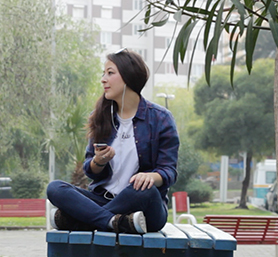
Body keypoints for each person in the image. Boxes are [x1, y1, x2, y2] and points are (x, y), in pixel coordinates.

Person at [47, 48, 179, 234]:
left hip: (144, 207)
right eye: (103, 74)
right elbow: (91, 172)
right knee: (55, 188)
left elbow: (169, 171)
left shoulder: (160, 118)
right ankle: (114, 222)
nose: (103, 79)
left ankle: (85, 220)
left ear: (128, 76)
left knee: (144, 189)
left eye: (110, 73)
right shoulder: (101, 117)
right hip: (104, 200)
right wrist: (98, 162)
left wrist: (150, 177)